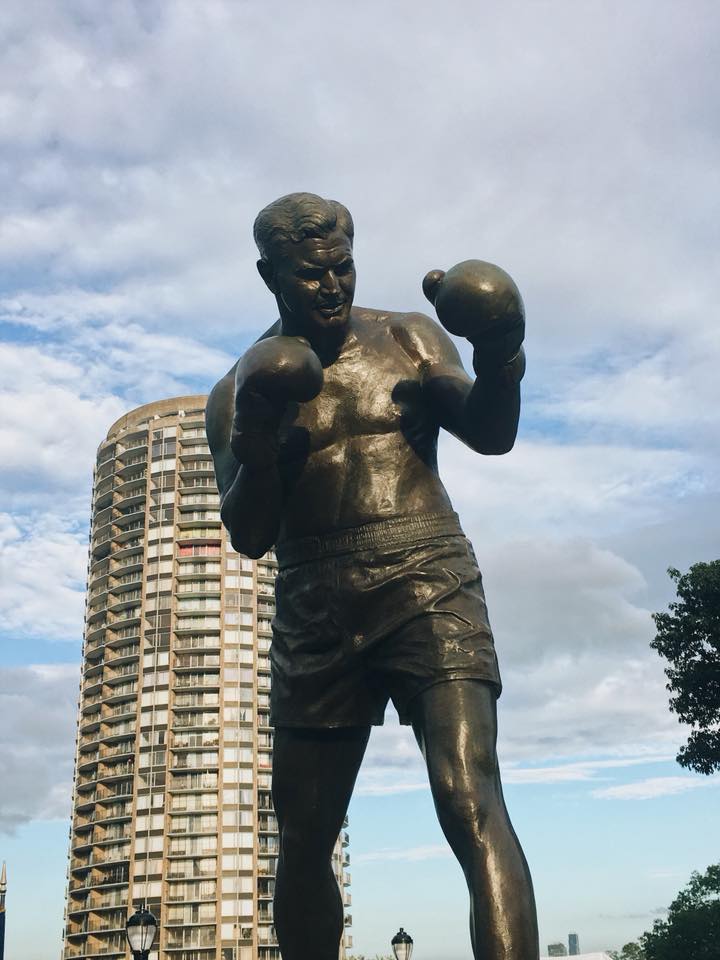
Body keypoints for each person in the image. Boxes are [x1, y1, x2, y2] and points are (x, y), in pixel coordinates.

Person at [206, 192, 539, 960]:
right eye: (311, 275)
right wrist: (259, 440)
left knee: (468, 793)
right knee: (305, 831)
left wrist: (503, 354)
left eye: (342, 268)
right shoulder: (234, 389)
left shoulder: (406, 335)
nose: (332, 286)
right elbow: (249, 534)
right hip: (314, 595)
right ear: (270, 275)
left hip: (427, 572)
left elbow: (490, 433)